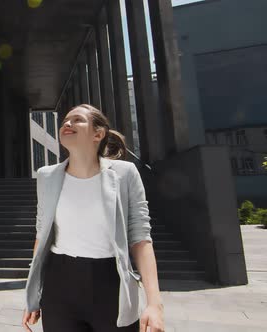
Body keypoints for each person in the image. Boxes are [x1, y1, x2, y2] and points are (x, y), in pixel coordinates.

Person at [21, 104, 165, 332]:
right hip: (59, 284)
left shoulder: (125, 173)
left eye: (77, 120)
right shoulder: (46, 176)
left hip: (110, 283)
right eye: (65, 121)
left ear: (98, 134)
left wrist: (154, 305)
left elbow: (141, 239)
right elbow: (42, 234)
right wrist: (34, 295)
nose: (67, 124)